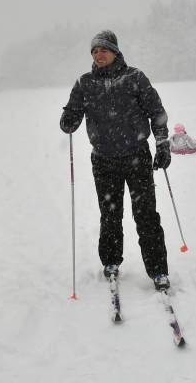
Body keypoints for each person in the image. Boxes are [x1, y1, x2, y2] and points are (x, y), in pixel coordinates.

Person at [59, 30, 172, 291]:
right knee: (110, 215)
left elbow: (157, 113)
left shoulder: (135, 78)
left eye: (104, 50)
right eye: (95, 51)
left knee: (146, 216)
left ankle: (158, 271)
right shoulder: (84, 83)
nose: (99, 55)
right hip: (104, 160)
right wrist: (68, 120)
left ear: (115, 52)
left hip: (137, 157)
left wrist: (163, 144)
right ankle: (111, 262)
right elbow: (71, 114)